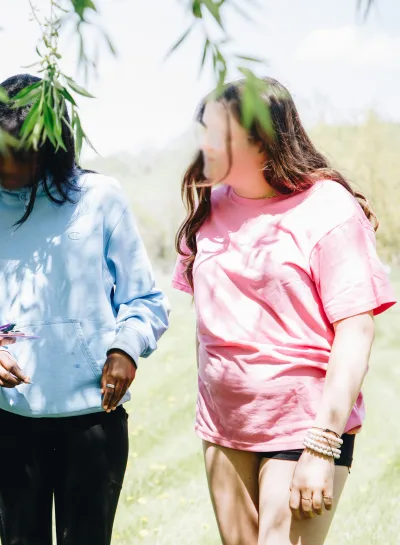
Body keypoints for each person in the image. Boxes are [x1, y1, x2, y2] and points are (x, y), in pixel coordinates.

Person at [0, 73, 170, 545]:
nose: (4, 162)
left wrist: (125, 349)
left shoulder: (100, 198)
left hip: (93, 422)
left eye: (19, 150)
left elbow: (144, 300)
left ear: (52, 144)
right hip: (10, 425)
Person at [172, 76, 396, 544]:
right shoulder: (207, 208)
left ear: (262, 140)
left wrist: (322, 445)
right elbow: (206, 322)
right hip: (225, 425)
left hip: (305, 424)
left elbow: (355, 330)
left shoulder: (328, 207)